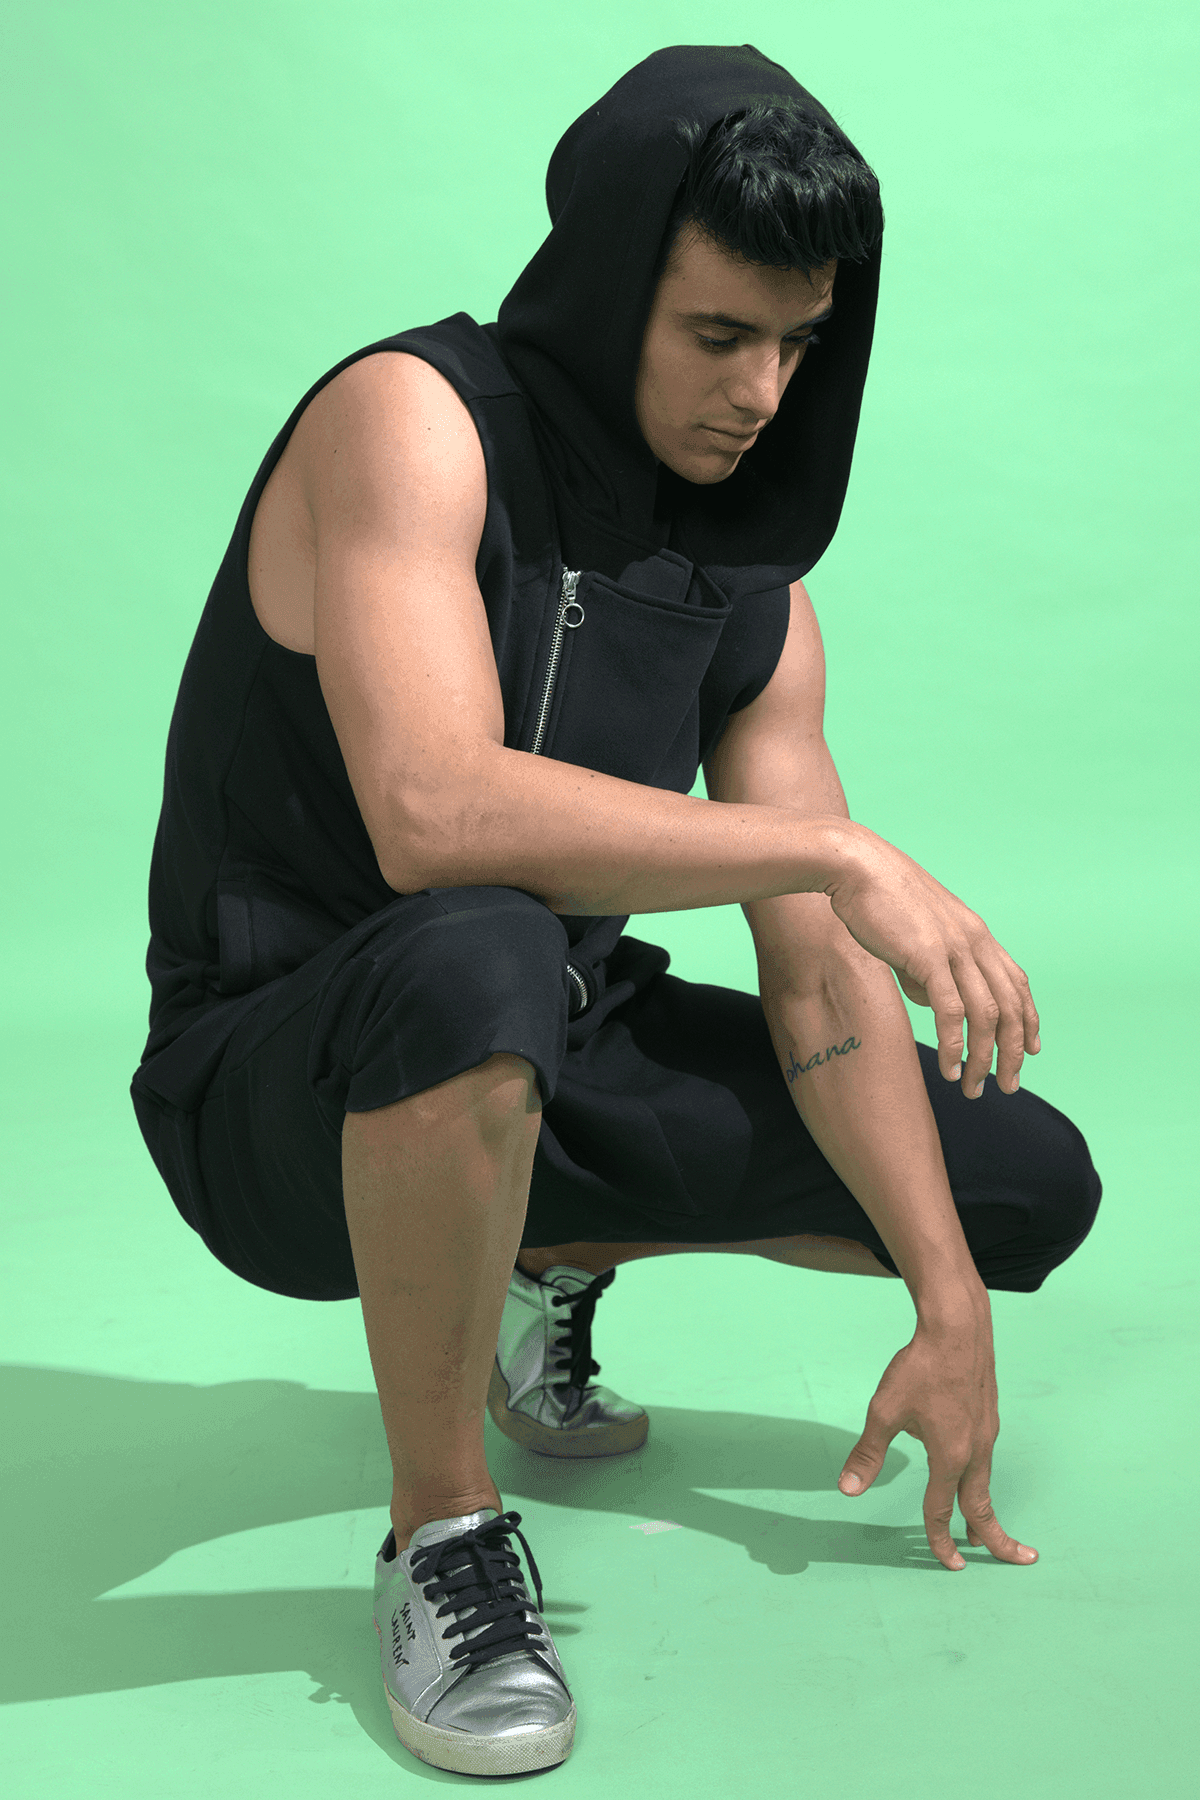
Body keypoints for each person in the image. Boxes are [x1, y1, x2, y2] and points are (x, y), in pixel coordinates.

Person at [130, 43, 1101, 1779]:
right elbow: (433, 813)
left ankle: (528, 1258)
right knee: (483, 942)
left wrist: (945, 1302)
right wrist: (835, 850)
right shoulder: (411, 425)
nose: (762, 391)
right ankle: (443, 1533)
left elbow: (816, 987)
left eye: (798, 344)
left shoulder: (753, 586)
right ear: (606, 282)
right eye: (719, 334)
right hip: (273, 1077)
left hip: (540, 1037)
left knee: (1017, 1181)